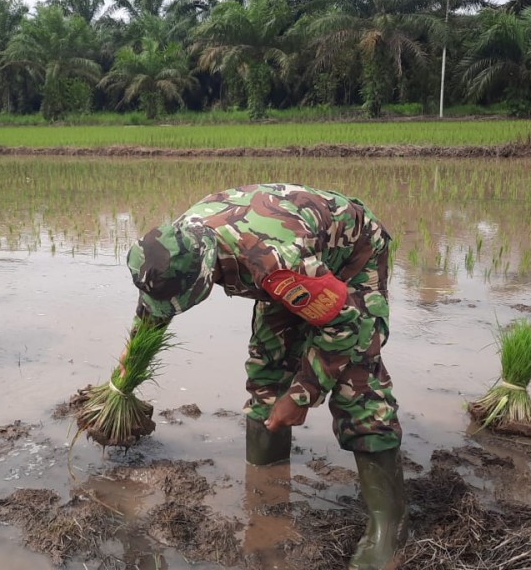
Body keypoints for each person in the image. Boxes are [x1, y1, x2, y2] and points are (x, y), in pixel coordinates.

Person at [125, 183, 406, 570]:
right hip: (286, 254)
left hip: (350, 254)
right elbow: (154, 310)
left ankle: (389, 524)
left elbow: (348, 328)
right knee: (267, 368)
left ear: (208, 271)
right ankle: (267, 491)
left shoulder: (278, 264)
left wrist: (303, 393)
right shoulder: (173, 245)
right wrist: (124, 376)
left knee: (356, 381)